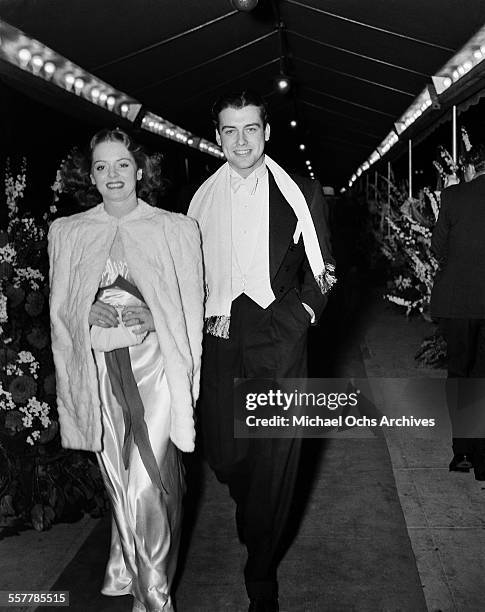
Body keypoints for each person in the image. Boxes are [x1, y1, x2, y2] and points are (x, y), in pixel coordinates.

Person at [188, 91, 335, 612]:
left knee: (276, 455)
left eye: (251, 129)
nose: (241, 140)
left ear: (266, 132)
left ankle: (262, 579)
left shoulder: (301, 191)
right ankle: (254, 511)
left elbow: (326, 271)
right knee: (225, 456)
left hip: (278, 329)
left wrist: (298, 319)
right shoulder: (200, 197)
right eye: (230, 130)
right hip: (221, 332)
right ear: (218, 136)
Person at [48, 128, 204, 612]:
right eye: (101, 166)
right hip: (99, 372)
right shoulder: (68, 232)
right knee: (118, 477)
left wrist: (156, 318)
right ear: (90, 176)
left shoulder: (175, 229)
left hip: (156, 370)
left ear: (140, 170)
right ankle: (123, 564)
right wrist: (84, 310)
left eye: (121, 164)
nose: (112, 174)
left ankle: (154, 596)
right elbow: (60, 311)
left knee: (147, 484)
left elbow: (191, 306)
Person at [431, 144, 485, 481]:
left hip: (458, 302)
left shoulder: (453, 197)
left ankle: (463, 452)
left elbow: (438, 248)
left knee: (461, 375)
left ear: (469, 167)